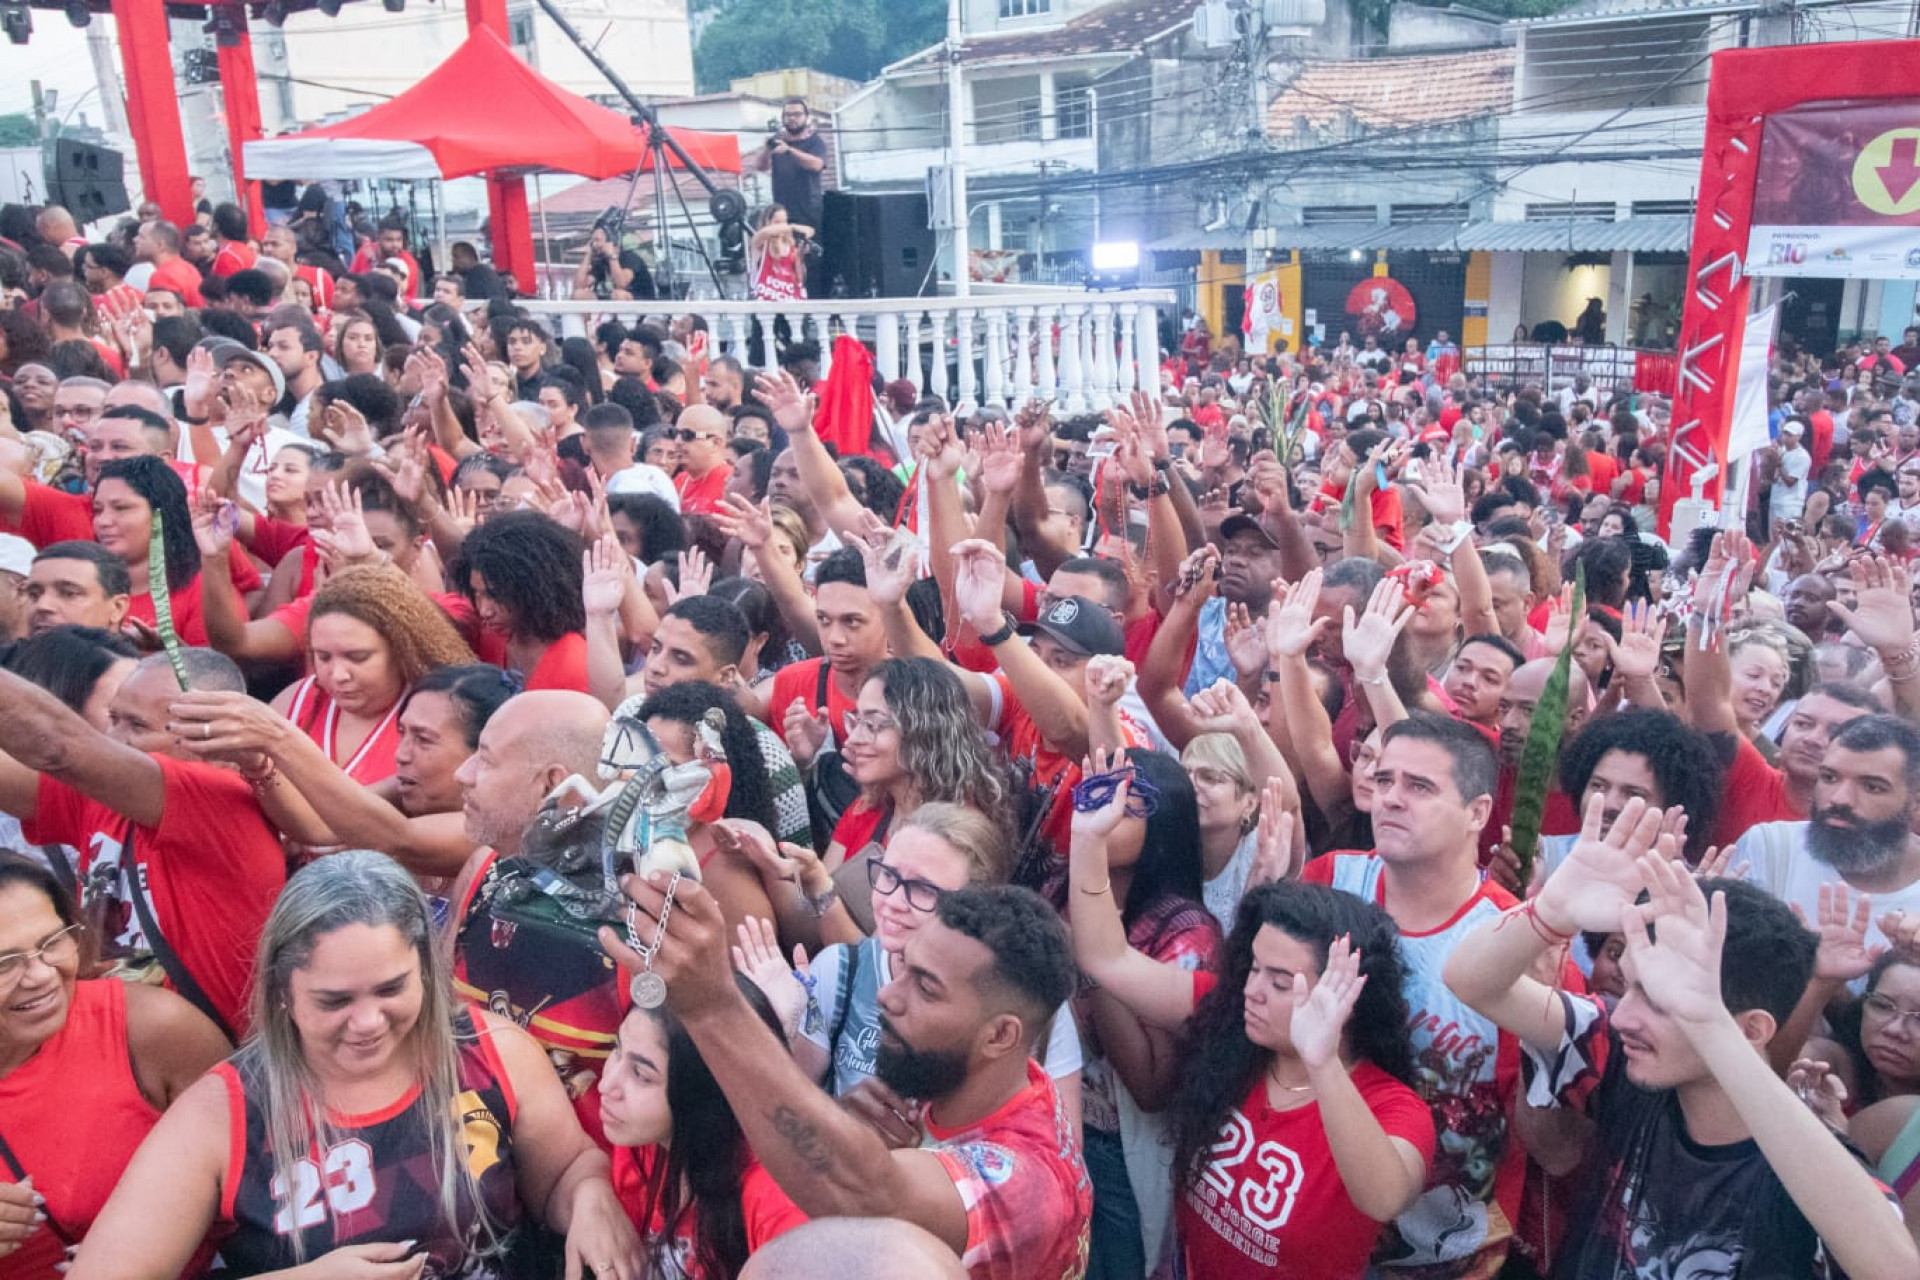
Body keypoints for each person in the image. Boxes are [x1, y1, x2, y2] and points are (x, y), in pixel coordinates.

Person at [66, 851, 641, 1280]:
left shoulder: (492, 1049)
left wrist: (589, 1195)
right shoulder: (225, 1113)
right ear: (283, 993)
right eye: (334, 1001)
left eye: (391, 989)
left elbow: (562, 1171)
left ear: (425, 971)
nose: (367, 1021)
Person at [1442, 799, 1919, 1280]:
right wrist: (1551, 912)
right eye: (1629, 989)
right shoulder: (1627, 1058)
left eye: (1659, 1000)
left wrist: (1709, 1023)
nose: (1622, 1015)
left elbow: (1896, 1268)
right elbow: (1472, 981)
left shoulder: (1804, 1166)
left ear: (1751, 1029)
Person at [602, 875, 1092, 1280]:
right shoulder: (964, 1080)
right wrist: (850, 1130)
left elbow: (869, 1195)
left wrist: (713, 1007)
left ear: (1001, 1035)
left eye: (926, 987)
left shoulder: (1029, 1181)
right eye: (902, 967)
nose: (888, 996)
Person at [1068, 771, 1435, 1280]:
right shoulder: (1233, 1023)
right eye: (1254, 968)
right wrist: (1088, 840)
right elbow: (1106, 958)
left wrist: (1322, 1062)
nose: (1253, 990)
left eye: (1281, 982)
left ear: (1346, 994)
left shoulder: (1391, 1105)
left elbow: (1384, 1197)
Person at [0, 649, 284, 1039]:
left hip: (198, 1069)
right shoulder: (104, 799)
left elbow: (57, 747)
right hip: (107, 1049)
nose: (114, 741)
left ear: (218, 743)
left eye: (137, 725)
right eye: (113, 719)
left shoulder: (222, 802)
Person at [0, 856, 232, 1277]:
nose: (41, 976)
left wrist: (136, 1248)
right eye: (4, 963)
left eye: (53, 941)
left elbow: (271, 1187)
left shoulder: (151, 1031)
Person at [598, 982, 807, 1276]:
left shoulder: (777, 1201)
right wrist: (588, 1196)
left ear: (706, 1094)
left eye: (641, 1074)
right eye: (616, 1049)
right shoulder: (642, 1141)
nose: (606, 1086)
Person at [450, 510, 592, 693]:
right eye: (477, 594)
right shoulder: (487, 638)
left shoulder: (576, 665)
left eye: (496, 596)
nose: (484, 610)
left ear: (534, 588)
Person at [758, 99, 828, 233]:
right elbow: (760, 167)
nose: (792, 118)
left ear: (806, 117)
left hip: (808, 211)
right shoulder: (778, 141)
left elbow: (816, 165)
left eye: (797, 114)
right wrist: (766, 150)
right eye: (788, 115)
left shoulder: (815, 142)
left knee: (807, 252)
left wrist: (789, 151)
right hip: (782, 212)